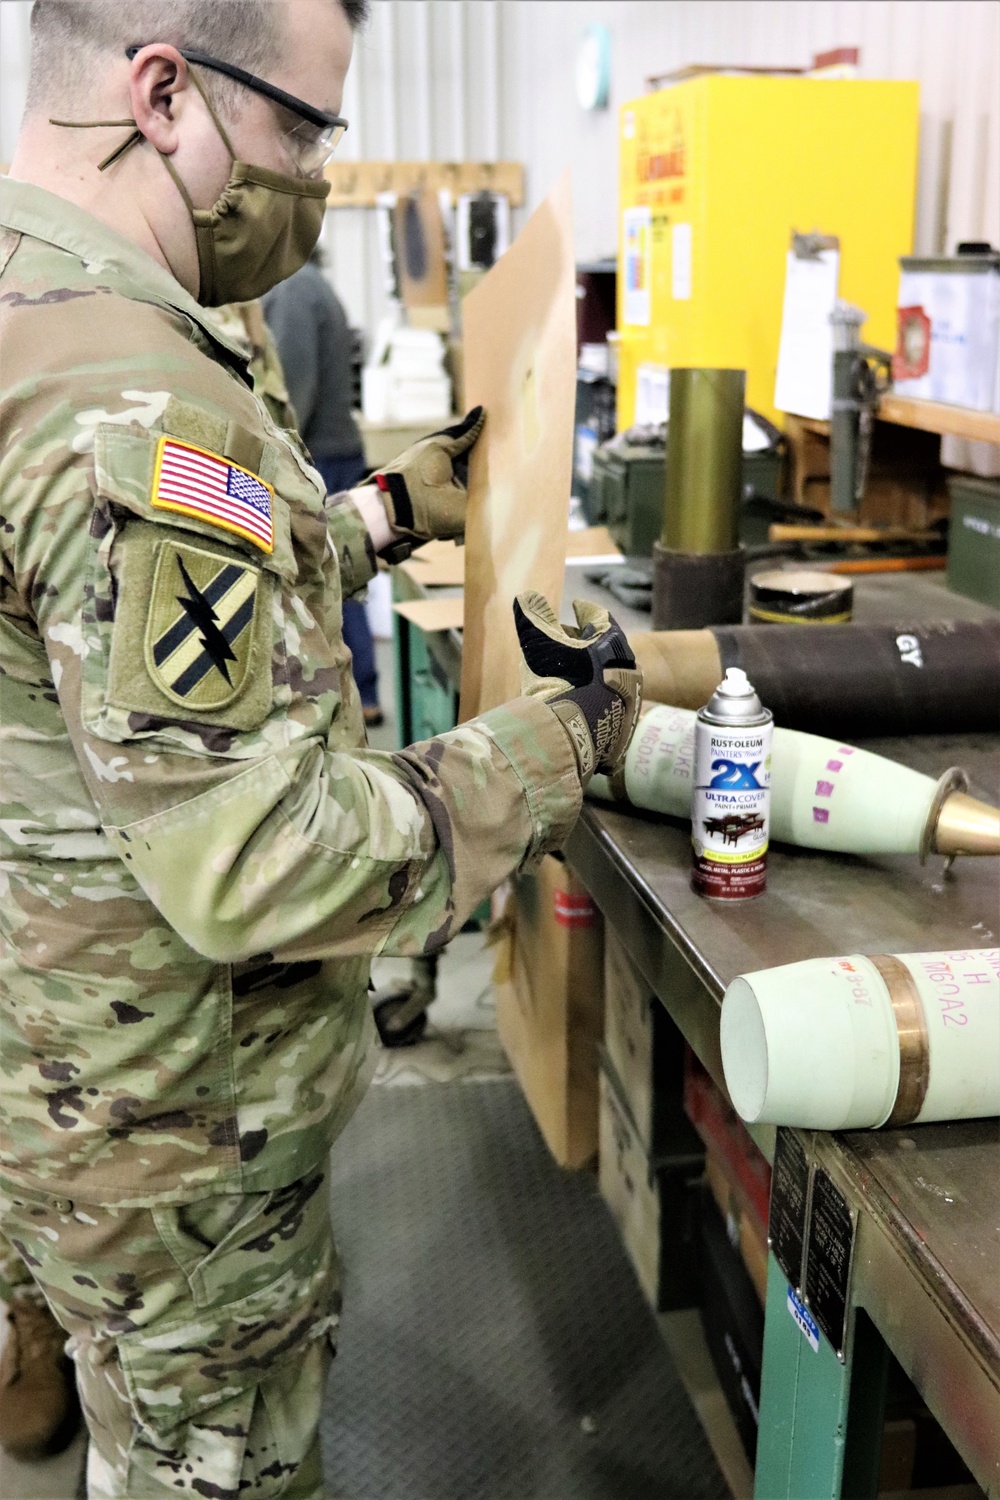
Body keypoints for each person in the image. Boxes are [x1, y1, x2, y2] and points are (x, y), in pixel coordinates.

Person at [0, 4, 641, 1498]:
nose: (319, 175)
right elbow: (265, 857)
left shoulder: (43, 306)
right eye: (303, 129)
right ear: (163, 92)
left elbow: (99, 641)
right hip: (169, 1133)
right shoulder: (133, 395)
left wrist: (379, 517)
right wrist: (563, 740)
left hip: (48, 1054)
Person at [262, 251, 385, 725]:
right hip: (333, 447)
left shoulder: (294, 289)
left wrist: (275, 454)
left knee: (331, 567)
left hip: (322, 453)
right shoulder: (310, 284)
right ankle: (363, 688)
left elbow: (293, 392)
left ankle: (361, 692)